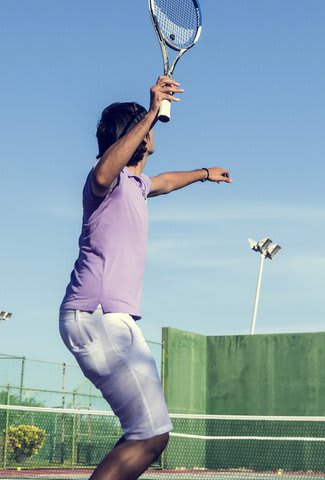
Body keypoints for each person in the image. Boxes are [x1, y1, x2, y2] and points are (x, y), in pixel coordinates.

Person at [58, 76, 232, 480]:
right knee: (152, 436)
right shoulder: (107, 181)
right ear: (134, 135)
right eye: (145, 128)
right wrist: (152, 110)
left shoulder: (135, 184)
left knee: (143, 433)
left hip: (106, 319)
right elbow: (103, 173)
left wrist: (205, 172)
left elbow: (166, 181)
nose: (152, 133)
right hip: (98, 317)